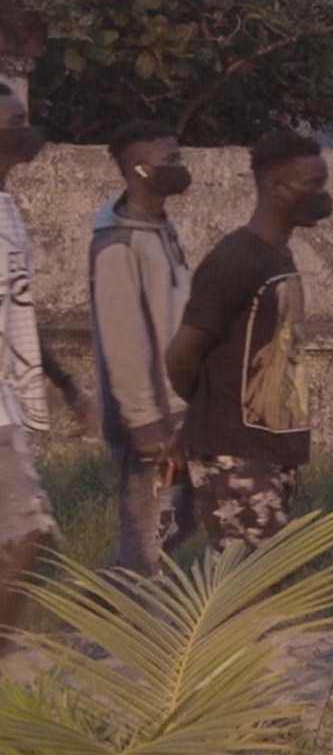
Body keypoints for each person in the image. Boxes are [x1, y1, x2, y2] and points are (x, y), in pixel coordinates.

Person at [165, 130, 328, 557]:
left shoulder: (278, 258)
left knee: (253, 580)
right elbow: (182, 355)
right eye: (312, 186)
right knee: (246, 583)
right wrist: (211, 408)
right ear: (275, 188)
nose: (321, 196)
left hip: (268, 447)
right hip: (235, 449)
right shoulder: (236, 260)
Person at [0, 88, 93, 652]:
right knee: (29, 532)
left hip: (8, 402)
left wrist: (67, 386)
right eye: (13, 123)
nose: (25, 130)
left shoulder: (10, 210)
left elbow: (19, 312)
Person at [89, 120, 194, 576]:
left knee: (178, 521)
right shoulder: (119, 244)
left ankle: (103, 605)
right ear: (139, 170)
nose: (179, 167)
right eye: (168, 161)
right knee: (148, 537)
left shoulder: (161, 230)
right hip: (148, 421)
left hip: (177, 408)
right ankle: (122, 624)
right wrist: (147, 426)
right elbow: (123, 340)